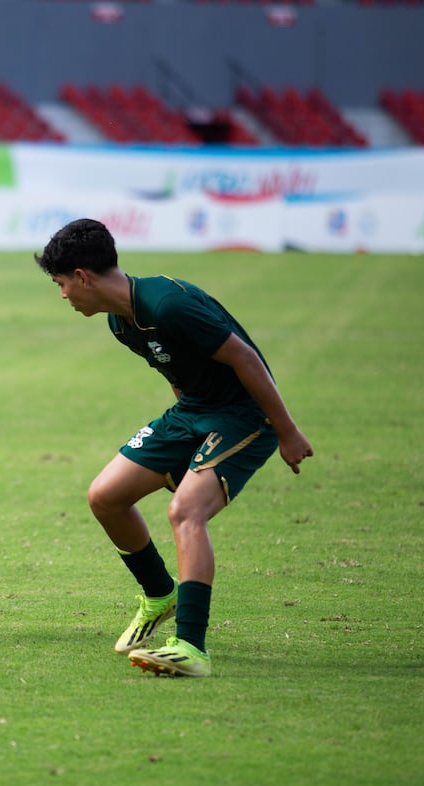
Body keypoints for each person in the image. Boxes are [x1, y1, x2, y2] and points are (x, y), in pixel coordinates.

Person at [34, 218, 313, 677]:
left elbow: (244, 357)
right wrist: (182, 443)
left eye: (62, 284)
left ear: (82, 276)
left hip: (245, 415)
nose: (63, 294)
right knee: (105, 496)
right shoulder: (120, 324)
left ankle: (190, 646)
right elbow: (180, 374)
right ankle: (160, 593)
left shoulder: (168, 304)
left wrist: (287, 431)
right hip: (192, 413)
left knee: (185, 511)